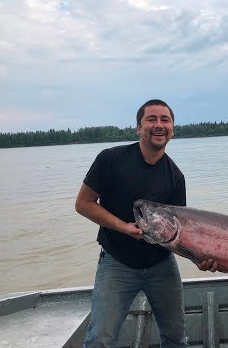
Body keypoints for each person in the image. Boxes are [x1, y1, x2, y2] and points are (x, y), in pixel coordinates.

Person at [75, 99, 192, 348]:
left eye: (165, 120)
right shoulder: (111, 159)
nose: (159, 125)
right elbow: (83, 203)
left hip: (162, 264)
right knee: (99, 340)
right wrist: (123, 227)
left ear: (173, 129)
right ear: (138, 127)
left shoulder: (175, 176)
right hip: (116, 263)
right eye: (152, 119)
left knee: (175, 338)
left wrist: (200, 257)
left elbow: (178, 232)